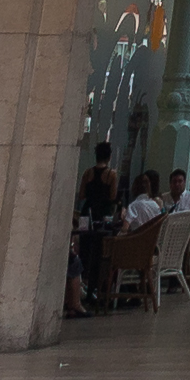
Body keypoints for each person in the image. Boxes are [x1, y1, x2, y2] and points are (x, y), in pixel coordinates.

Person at [65, 137, 122, 319]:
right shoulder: (111, 175)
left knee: (85, 250)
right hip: (101, 215)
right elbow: (112, 196)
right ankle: (92, 290)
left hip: (86, 213)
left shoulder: (87, 173)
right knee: (98, 253)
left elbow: (82, 194)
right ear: (109, 156)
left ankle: (82, 285)